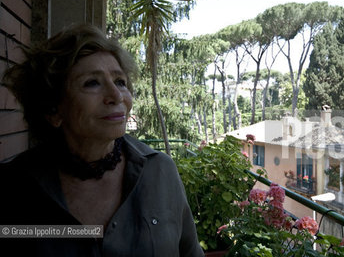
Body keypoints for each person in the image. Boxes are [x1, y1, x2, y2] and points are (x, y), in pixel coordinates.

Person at [0, 23, 204, 256]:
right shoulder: (13, 186)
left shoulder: (160, 170)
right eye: (92, 83)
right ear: (54, 110)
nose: (116, 96)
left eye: (120, 81)